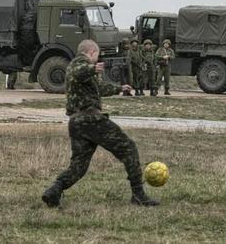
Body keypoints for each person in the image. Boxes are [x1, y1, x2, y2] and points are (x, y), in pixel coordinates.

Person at [42, 39, 159, 207]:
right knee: (129, 147)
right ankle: (138, 194)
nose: (97, 59)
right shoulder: (79, 64)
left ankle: (54, 190)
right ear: (91, 52)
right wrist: (92, 68)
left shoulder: (82, 70)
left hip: (77, 123)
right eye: (96, 56)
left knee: (79, 166)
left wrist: (119, 88)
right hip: (92, 120)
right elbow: (79, 71)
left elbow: (100, 87)